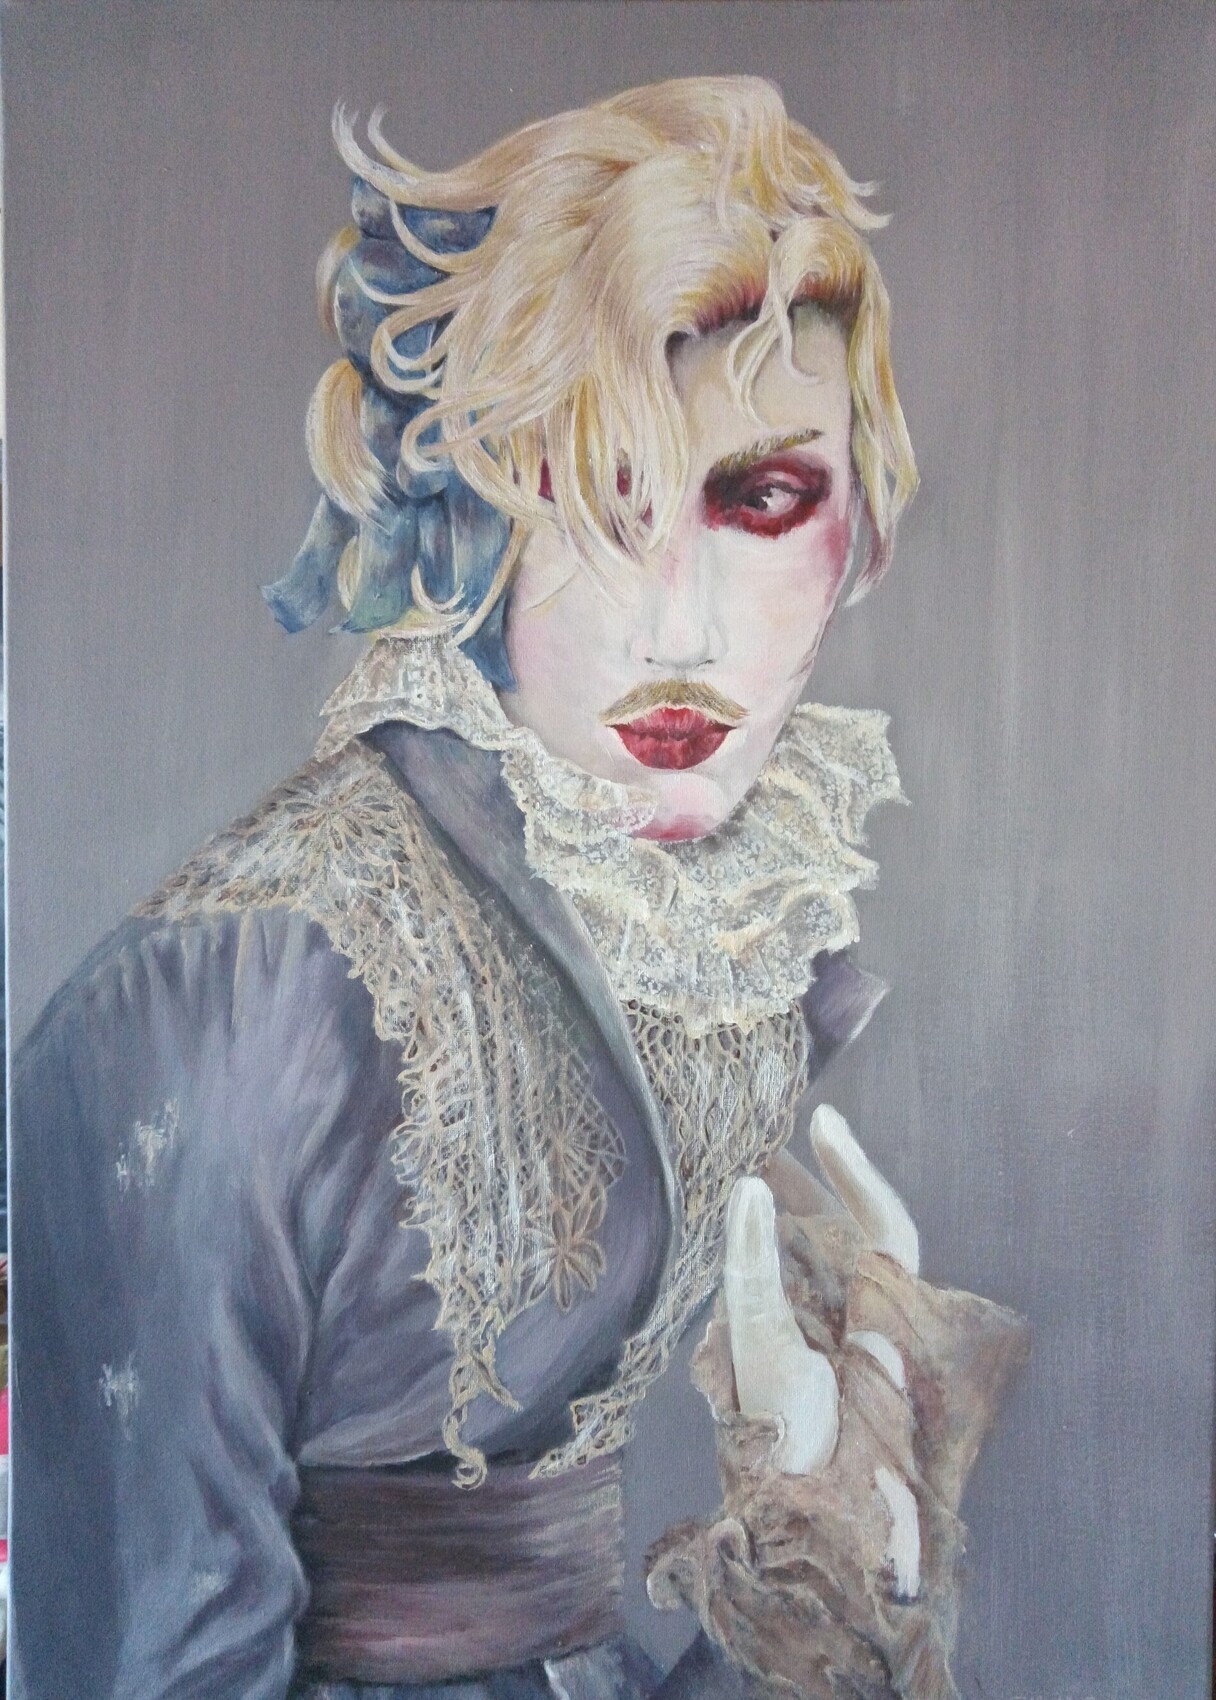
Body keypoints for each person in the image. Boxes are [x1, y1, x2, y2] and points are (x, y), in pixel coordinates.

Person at [10, 77, 1026, 1700]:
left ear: (861, 528)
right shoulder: (217, 1009)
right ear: (479, 513)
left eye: (761, 500)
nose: (681, 625)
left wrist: (828, 1556)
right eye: (600, 499)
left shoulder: (700, 948)